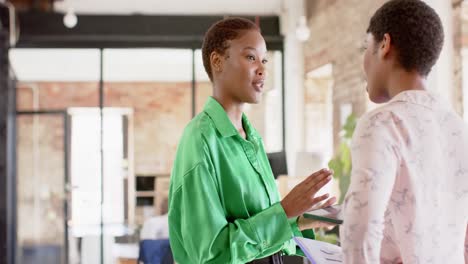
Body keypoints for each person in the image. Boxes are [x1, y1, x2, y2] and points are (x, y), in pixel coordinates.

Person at [168, 17, 336, 264]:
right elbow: (211, 255)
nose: (262, 69)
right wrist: (285, 212)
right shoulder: (200, 141)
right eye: (250, 57)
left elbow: (264, 228)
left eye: (264, 60)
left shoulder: (252, 137)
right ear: (217, 61)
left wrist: (297, 220)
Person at [340, 0, 468, 263]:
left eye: (367, 47)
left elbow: (361, 232)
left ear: (384, 45)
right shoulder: (458, 127)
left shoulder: (383, 123)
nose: (364, 61)